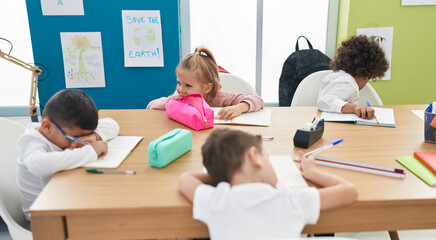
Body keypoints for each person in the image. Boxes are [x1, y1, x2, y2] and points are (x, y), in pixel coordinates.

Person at [178, 129, 358, 240]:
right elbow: (350, 191)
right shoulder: (290, 199)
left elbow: (185, 179)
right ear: (254, 156)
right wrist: (312, 173)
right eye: (267, 158)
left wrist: (223, 173)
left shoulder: (217, 200)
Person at [16, 89, 120, 220]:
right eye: (74, 138)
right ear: (47, 127)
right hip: (44, 216)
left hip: (64, 195)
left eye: (83, 136)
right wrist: (90, 151)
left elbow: (113, 124)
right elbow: (37, 165)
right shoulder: (31, 141)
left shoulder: (58, 128)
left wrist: (94, 135)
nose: (78, 141)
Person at [146, 47, 263, 120]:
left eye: (188, 85)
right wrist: (169, 102)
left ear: (207, 88)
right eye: (179, 83)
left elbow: (257, 99)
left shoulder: (221, 98)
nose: (180, 89)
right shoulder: (180, 98)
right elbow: (150, 106)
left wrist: (239, 107)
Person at [317, 35, 389, 119]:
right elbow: (323, 102)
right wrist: (355, 108)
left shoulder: (334, 76)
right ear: (366, 75)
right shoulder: (349, 85)